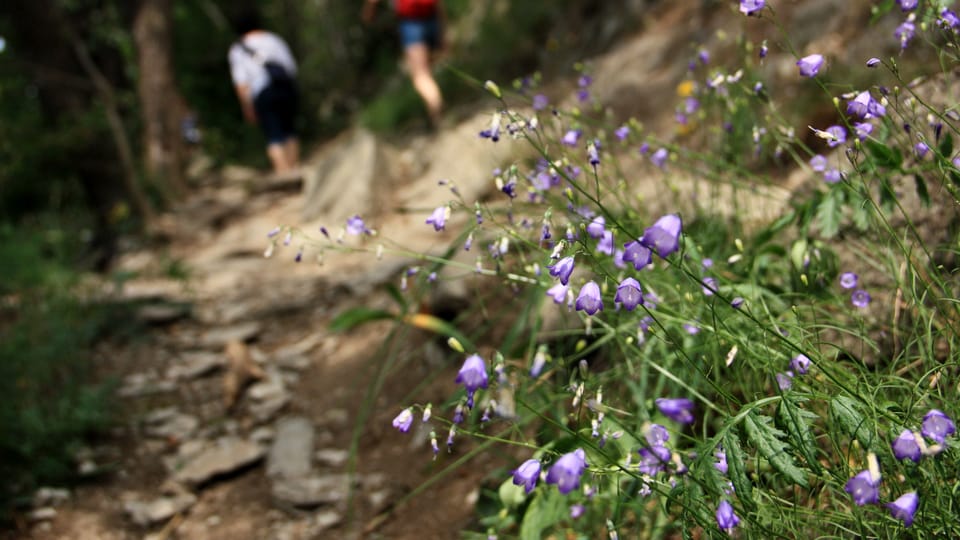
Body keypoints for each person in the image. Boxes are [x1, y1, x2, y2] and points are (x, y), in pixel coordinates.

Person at [228, 12, 300, 173]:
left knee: (274, 135)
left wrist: (247, 107)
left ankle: (284, 173)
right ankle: (295, 170)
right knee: (289, 130)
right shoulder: (274, 39)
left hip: (262, 93)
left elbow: (241, 82)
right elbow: (290, 67)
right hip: (285, 87)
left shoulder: (238, 49)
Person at [362, 0, 445, 127]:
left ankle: (436, 106)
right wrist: (444, 28)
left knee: (420, 75)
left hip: (412, 24)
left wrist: (368, 16)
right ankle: (434, 108)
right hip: (432, 17)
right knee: (428, 67)